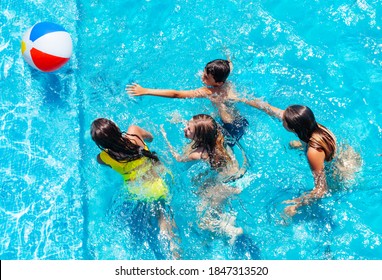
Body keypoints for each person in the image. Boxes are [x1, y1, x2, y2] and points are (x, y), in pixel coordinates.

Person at [90, 118, 180, 259]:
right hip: (157, 183)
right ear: (116, 128)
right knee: (164, 221)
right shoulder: (134, 132)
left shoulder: (102, 157)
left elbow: (108, 163)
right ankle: (175, 252)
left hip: (136, 192)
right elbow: (150, 137)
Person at [240, 99, 337, 217]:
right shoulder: (311, 125)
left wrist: (295, 204)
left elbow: (321, 190)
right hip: (330, 152)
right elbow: (268, 108)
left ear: (293, 128)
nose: (282, 119)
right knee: (292, 144)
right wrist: (241, 99)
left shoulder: (313, 152)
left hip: (337, 172)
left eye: (284, 121)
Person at [160, 114, 246, 243]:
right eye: (187, 125)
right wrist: (181, 119)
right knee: (213, 208)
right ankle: (227, 219)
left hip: (219, 186)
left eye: (189, 129)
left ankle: (230, 229)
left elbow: (178, 158)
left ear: (200, 137)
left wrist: (165, 139)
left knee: (202, 222)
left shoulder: (197, 154)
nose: (185, 129)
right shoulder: (216, 136)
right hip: (232, 175)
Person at [126, 59, 249, 146]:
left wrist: (145, 90)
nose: (202, 77)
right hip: (240, 121)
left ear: (218, 83)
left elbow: (177, 94)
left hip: (228, 130)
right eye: (204, 73)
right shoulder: (227, 82)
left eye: (206, 77)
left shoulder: (208, 91)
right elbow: (229, 65)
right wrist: (228, 56)